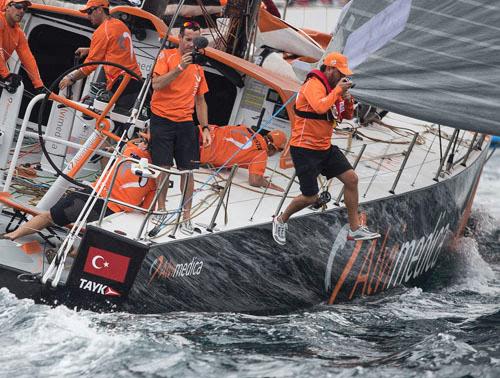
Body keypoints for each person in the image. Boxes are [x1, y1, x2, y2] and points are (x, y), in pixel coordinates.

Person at [272, 52, 381, 245]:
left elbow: (345, 116)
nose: (342, 78)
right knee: (310, 196)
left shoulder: (333, 90)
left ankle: (354, 229)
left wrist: (347, 99)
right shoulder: (313, 84)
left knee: (351, 179)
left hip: (324, 147)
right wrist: (338, 92)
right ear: (329, 69)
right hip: (304, 149)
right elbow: (320, 107)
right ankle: (281, 220)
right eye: (339, 73)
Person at [2, 139, 156, 241]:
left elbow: (128, 142)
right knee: (93, 238)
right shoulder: (156, 180)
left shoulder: (129, 149)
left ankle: (13, 234)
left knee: (49, 216)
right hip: (112, 213)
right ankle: (73, 253)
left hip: (91, 195)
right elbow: (144, 210)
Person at [149, 20, 211, 235]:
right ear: (180, 38)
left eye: (195, 41)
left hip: (185, 122)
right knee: (164, 169)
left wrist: (205, 128)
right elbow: (156, 85)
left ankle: (186, 216)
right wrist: (180, 67)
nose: (191, 45)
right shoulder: (166, 57)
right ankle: (162, 210)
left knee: (189, 170)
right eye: (187, 40)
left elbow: (201, 100)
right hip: (161, 120)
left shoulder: (199, 69)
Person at [58, 0, 142, 119]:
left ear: (99, 9)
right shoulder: (119, 24)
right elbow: (114, 48)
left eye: (89, 11)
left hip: (122, 85)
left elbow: (90, 66)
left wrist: (71, 78)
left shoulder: (102, 31)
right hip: (134, 82)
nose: (87, 16)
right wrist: (89, 49)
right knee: (115, 128)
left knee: (109, 126)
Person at [200, 125, 286, 191]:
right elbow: (254, 181)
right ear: (273, 148)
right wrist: (268, 184)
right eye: (279, 151)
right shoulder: (261, 153)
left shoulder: (247, 128)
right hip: (200, 151)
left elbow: (230, 140)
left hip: (201, 132)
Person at [0, 0, 44, 93]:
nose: (21, 11)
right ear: (7, 7)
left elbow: (28, 58)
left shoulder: (18, 32)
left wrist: (39, 85)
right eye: (18, 6)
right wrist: (7, 75)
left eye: (24, 8)